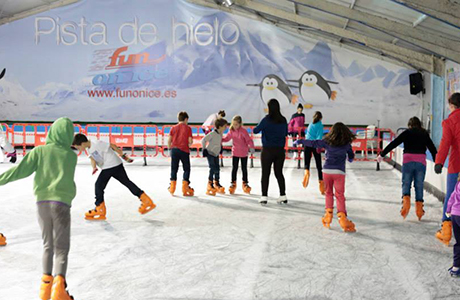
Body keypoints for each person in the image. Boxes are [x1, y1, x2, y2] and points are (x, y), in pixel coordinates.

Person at [0, 117, 77, 300]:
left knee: (47, 245)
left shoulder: (40, 151)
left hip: (42, 203)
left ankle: (45, 289)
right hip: (62, 204)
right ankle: (59, 290)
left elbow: (20, 171)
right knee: (62, 248)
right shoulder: (71, 155)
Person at [73, 133, 156, 220]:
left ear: (82, 143)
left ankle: (99, 208)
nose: (78, 150)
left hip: (110, 166)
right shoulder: (89, 149)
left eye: (78, 147)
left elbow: (112, 145)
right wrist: (94, 167)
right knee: (127, 182)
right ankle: (146, 200)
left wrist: (122, 155)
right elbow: (92, 159)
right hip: (116, 165)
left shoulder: (96, 143)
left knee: (98, 186)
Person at [295, 122, 356, 232]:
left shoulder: (326, 142)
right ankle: (342, 218)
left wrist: (300, 141)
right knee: (339, 195)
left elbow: (313, 143)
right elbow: (351, 156)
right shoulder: (346, 144)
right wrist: (350, 158)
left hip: (327, 171)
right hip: (339, 172)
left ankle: (328, 215)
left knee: (328, 193)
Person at [377, 117, 437, 221]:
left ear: (409, 125)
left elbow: (394, 143)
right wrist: (437, 162)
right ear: (419, 124)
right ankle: (419, 210)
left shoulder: (407, 133)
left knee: (406, 183)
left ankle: (405, 204)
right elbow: (432, 148)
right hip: (420, 162)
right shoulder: (424, 133)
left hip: (408, 161)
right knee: (419, 185)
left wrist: (382, 154)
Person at [434, 92, 460, 246]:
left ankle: (446, 230)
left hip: (456, 165)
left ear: (451, 105)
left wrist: (439, 162)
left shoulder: (450, 121)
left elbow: (445, 143)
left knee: (451, 196)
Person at [253, 99, 288, 205]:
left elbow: (255, 130)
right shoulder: (283, 120)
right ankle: (283, 195)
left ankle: (264, 196)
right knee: (279, 173)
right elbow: (286, 133)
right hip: (280, 150)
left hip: (267, 150)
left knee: (265, 173)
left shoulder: (266, 120)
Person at [222, 115, 255, 194]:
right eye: (233, 124)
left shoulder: (243, 131)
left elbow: (249, 140)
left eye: (236, 124)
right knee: (234, 168)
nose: (234, 126)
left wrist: (252, 147)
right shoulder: (232, 131)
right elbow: (227, 138)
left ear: (240, 124)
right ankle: (233, 183)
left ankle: (245, 183)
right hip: (235, 152)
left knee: (244, 169)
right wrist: (220, 139)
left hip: (243, 153)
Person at [168, 111, 194, 196]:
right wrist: (189, 143)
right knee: (186, 168)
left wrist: (170, 150)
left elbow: (169, 140)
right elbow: (190, 141)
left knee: (174, 169)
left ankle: (172, 187)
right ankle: (185, 187)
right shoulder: (188, 128)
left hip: (174, 150)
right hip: (184, 150)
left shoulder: (173, 128)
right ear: (186, 119)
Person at [202, 118, 228, 196]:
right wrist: (204, 149)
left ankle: (217, 183)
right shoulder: (212, 133)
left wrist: (220, 148)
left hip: (216, 154)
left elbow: (218, 142)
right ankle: (210, 184)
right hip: (210, 153)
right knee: (212, 168)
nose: (226, 128)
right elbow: (203, 140)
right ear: (220, 126)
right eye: (225, 126)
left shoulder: (220, 134)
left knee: (217, 169)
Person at [303, 111, 325, 194]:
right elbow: (319, 137)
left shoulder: (311, 124)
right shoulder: (320, 125)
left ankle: (306, 173)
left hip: (307, 143)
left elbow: (307, 134)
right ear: (320, 118)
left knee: (307, 162)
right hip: (315, 144)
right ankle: (321, 186)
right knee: (319, 165)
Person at [446, 174, 460, 277]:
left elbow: (452, 197)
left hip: (455, 215)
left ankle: (456, 266)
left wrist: (448, 210)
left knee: (458, 242)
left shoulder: (458, 183)